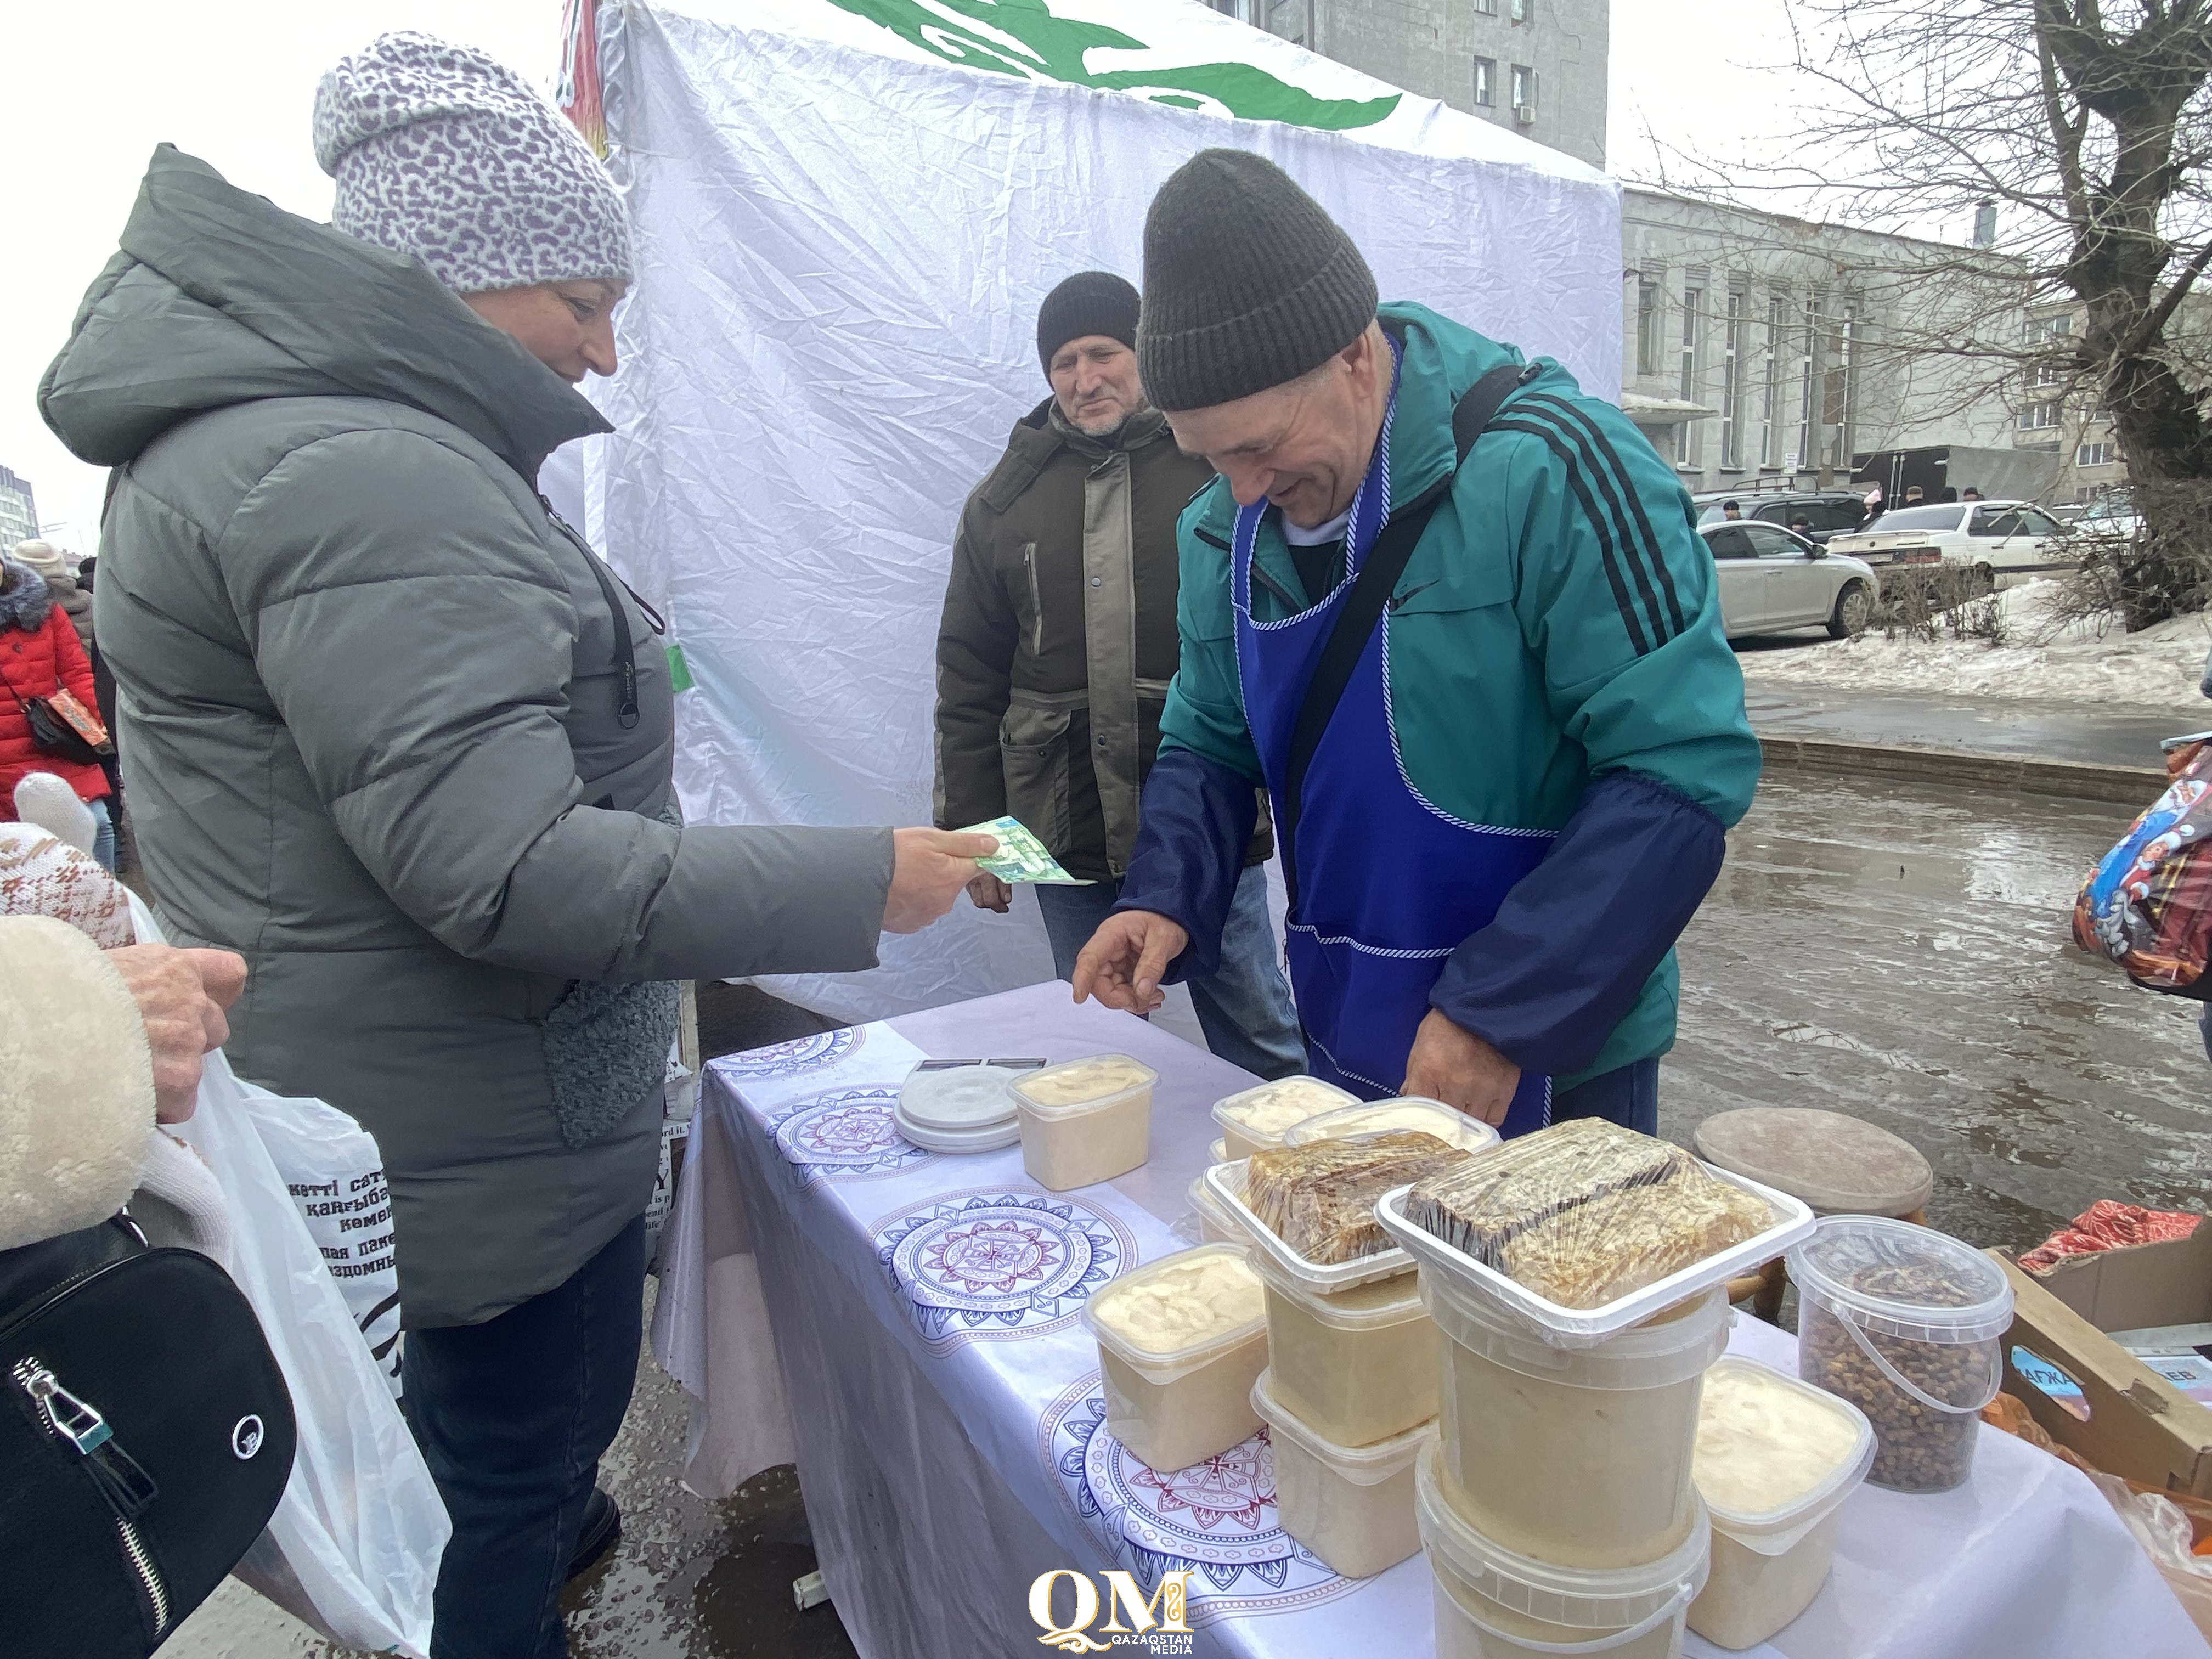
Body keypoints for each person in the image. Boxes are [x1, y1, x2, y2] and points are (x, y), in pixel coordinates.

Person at [39, 34, 989, 1659]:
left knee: (487, 1468)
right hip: (464, 1143)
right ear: (467, 279)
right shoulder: (365, 475)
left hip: (405, 1107)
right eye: (587, 300)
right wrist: (866, 874)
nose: (607, 352)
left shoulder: (318, 447)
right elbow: (511, 872)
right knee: (491, 1486)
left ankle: (550, 1548)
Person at [1072, 151, 1760, 1137]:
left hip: (1553, 1048)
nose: (1242, 489)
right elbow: (1207, 740)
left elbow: (1680, 762)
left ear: (1355, 357)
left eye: (1260, 444)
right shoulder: (1222, 534)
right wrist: (1167, 894)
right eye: (1210, 456)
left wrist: (1501, 1011)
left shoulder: (1552, 469)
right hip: (1349, 1018)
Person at [934, 272, 1304, 1078]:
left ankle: (1290, 1162)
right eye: (1064, 361)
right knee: (1096, 1029)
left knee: (1257, 1025)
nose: (1084, 377)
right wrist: (976, 837)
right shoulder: (1005, 501)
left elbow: (1280, 634)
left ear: (1146, 355)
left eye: (1104, 352)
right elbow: (968, 678)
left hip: (1208, 812)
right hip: (1061, 821)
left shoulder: (1215, 468)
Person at [0, 552, 116, 870]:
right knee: (21, 852)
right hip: (5, 756)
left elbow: (77, 672)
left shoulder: (42, 610)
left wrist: (100, 725)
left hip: (53, 737)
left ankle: (105, 901)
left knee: (98, 825)